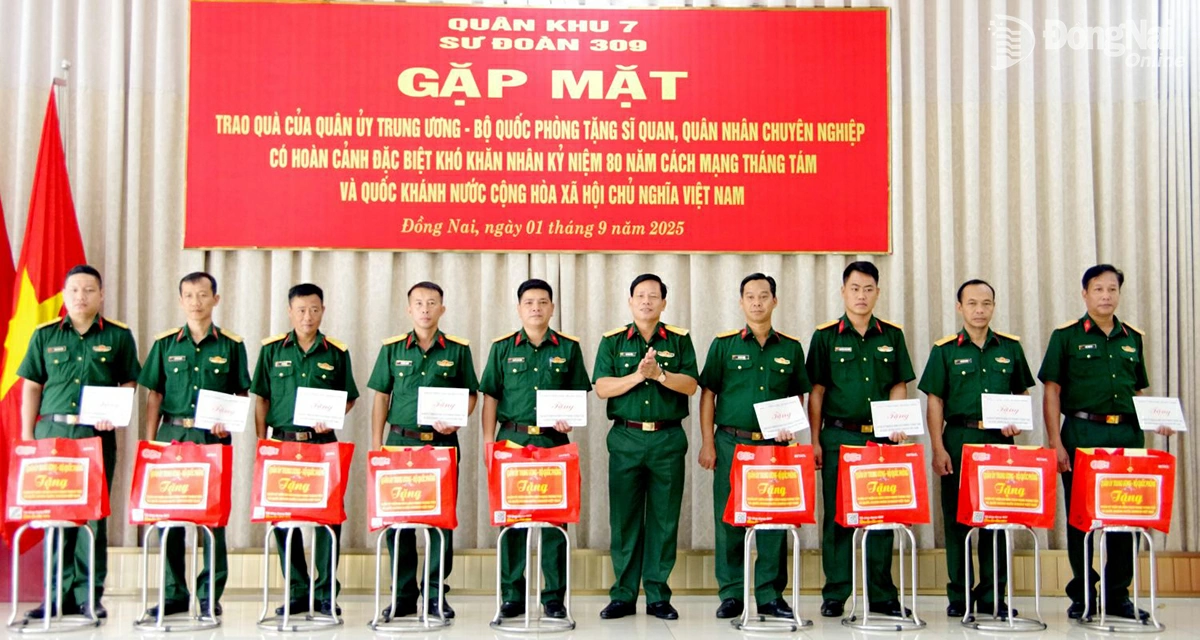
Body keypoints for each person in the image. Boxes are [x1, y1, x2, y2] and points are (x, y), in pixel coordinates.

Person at [1039, 264, 1173, 621]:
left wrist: (1158, 420)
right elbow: (1051, 391)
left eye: (1112, 289)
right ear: (1085, 294)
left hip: (1127, 436)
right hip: (1083, 434)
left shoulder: (1133, 337)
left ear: (1119, 293)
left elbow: (1138, 389)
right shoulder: (1065, 336)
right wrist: (1055, 442)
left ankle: (1118, 596)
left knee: (1125, 516)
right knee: (1080, 521)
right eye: (1098, 289)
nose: (1105, 296)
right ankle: (1083, 594)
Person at [18, 264, 141, 620]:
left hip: (95, 437)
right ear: (63, 295)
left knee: (92, 518)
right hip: (53, 436)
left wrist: (114, 416)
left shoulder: (118, 336)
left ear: (101, 295)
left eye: (89, 290)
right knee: (55, 517)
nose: (81, 296)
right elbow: (32, 386)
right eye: (74, 290)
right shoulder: (45, 335)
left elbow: (129, 383)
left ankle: (89, 596)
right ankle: (55, 595)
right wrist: (28, 438)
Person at [698, 273, 812, 620]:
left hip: (774, 448)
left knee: (774, 521)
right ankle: (732, 592)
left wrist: (790, 430)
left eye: (764, 296)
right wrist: (707, 443)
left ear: (774, 301)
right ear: (741, 302)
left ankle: (769, 594)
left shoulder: (791, 347)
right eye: (750, 297)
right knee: (729, 520)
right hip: (731, 442)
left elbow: (799, 396)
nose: (758, 303)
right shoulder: (724, 344)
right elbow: (708, 396)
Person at [917, 279, 1034, 619]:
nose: (979, 309)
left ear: (993, 306)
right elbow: (935, 401)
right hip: (959, 439)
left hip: (1000, 443)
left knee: (997, 522)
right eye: (972, 303)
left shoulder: (1010, 348)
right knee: (958, 523)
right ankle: (959, 595)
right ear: (960, 307)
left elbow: (1021, 395)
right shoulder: (945, 349)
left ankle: (992, 595)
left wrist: (1019, 422)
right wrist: (938, 448)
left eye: (986, 303)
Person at [805, 261, 915, 618]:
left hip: (881, 439)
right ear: (843, 292)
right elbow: (817, 392)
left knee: (881, 514)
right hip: (838, 435)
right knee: (838, 517)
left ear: (877, 293)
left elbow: (899, 384)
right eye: (855, 288)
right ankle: (836, 591)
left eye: (868, 289)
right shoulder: (825, 336)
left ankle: (881, 594)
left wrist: (898, 424)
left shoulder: (892, 335)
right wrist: (816, 440)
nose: (861, 295)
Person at [138, 272, 250, 618]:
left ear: (216, 299)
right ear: (180, 300)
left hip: (212, 440)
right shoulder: (166, 344)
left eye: (203, 295)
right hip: (172, 438)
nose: (196, 302)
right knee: (168, 519)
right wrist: (150, 443)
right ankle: (173, 593)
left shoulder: (232, 344)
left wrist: (226, 423)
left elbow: (241, 393)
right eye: (189, 295)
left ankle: (209, 594)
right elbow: (154, 395)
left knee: (212, 522)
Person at [480, 278, 591, 620]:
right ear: (519, 308)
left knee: (555, 522)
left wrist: (568, 420)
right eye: (529, 302)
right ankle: (512, 594)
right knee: (512, 521)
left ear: (552, 308)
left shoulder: (568, 347)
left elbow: (577, 396)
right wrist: (489, 445)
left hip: (553, 443)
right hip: (511, 441)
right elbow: (491, 398)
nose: (536, 308)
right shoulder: (502, 348)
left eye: (543, 302)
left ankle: (553, 597)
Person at [368, 281, 477, 620]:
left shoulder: (458, 350)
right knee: (399, 522)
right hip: (399, 444)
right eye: (419, 303)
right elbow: (381, 397)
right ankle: (402, 596)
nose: (426, 309)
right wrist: (377, 447)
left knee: (440, 523)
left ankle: (435, 594)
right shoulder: (392, 349)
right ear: (409, 309)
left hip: (442, 446)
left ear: (442, 309)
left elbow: (472, 394)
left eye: (432, 303)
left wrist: (458, 421)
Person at [593, 273, 698, 621]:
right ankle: (622, 595)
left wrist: (661, 375)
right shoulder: (612, 341)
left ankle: (657, 595)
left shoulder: (680, 340)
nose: (646, 301)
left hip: (668, 438)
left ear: (664, 303)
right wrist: (640, 375)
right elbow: (602, 387)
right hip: (626, 438)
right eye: (640, 295)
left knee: (664, 521)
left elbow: (691, 386)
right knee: (623, 520)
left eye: (654, 296)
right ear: (630, 301)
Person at [251, 283, 358, 617]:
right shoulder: (271, 351)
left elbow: (350, 396)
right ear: (289, 311)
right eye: (300, 310)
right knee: (285, 520)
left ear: (323, 310)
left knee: (327, 519)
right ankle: (297, 589)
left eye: (314, 309)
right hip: (281, 443)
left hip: (322, 444)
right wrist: (262, 444)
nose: (307, 316)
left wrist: (335, 417)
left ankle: (326, 592)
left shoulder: (336, 352)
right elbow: (262, 400)